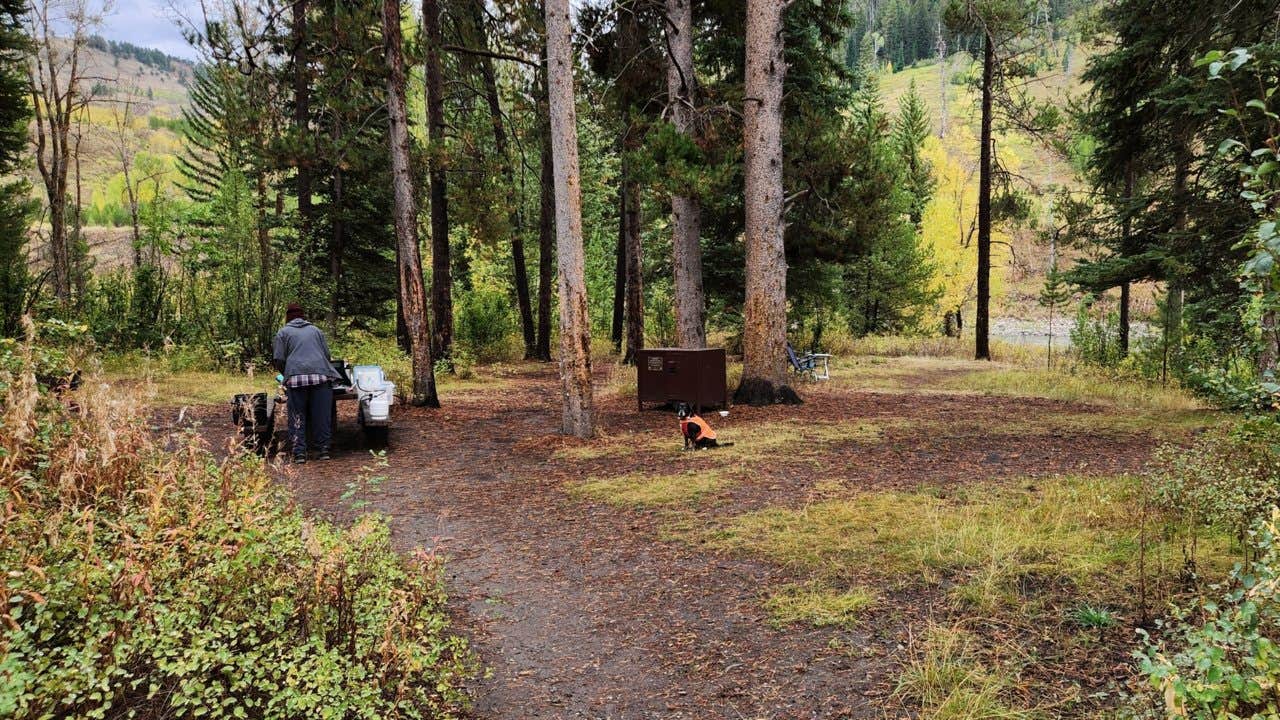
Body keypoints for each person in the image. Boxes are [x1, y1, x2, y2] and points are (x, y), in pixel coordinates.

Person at [273, 303, 340, 463]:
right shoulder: (316, 331)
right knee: (321, 415)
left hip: (296, 379)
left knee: (297, 415)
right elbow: (327, 355)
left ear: (288, 317)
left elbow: (279, 359)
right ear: (303, 316)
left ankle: (299, 453)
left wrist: (287, 374)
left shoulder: (283, 333)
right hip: (321, 377)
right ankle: (323, 450)